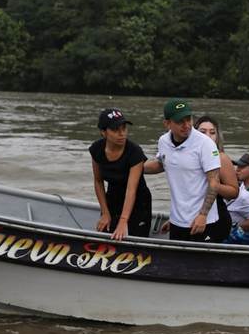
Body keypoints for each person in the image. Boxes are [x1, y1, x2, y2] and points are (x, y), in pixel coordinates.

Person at [143, 98, 226, 242]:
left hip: (203, 222)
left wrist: (203, 215)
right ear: (167, 123)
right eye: (180, 121)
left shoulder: (205, 144)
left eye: (189, 119)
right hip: (177, 221)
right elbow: (162, 163)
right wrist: (132, 168)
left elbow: (214, 182)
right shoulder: (163, 141)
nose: (186, 125)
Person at [89, 108, 152, 240]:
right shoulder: (96, 149)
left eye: (124, 128)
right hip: (113, 197)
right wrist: (105, 213)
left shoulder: (135, 152)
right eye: (115, 129)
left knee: (133, 239)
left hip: (138, 202)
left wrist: (123, 221)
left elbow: (131, 189)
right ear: (103, 132)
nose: (122, 133)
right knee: (107, 237)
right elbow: (98, 181)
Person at [194, 114, 238, 235]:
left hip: (216, 217)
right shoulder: (189, 158)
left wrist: (214, 185)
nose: (208, 136)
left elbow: (234, 192)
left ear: (217, 136)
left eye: (212, 132)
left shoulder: (221, 158)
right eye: (203, 132)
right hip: (189, 216)